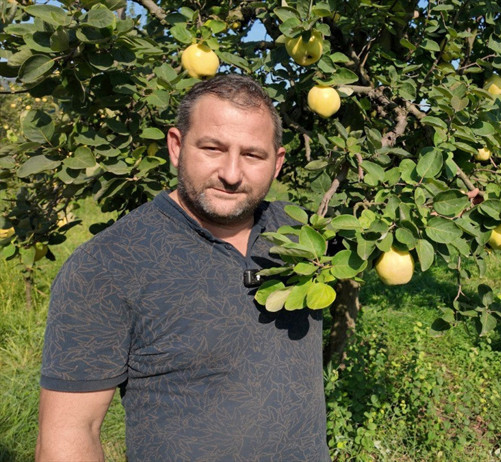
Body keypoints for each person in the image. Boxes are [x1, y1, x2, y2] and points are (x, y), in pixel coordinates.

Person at [36, 74, 331, 461]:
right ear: (176, 146)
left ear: (277, 164)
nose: (231, 174)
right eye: (212, 148)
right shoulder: (109, 264)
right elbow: (69, 432)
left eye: (252, 155)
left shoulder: (300, 236)